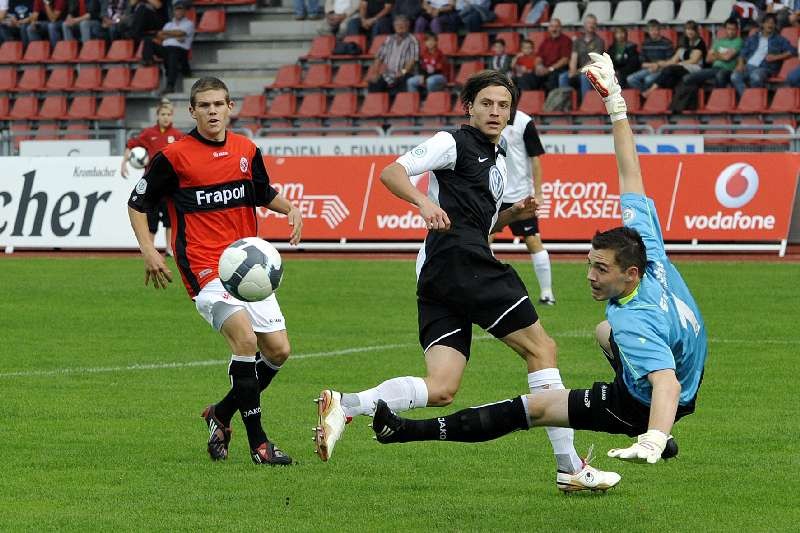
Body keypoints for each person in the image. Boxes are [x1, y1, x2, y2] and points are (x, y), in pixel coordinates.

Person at [369, 53, 708, 476]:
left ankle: (567, 466)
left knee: (531, 400)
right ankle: (379, 418)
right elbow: (631, 174)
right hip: (680, 372)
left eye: (601, 269)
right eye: (591, 263)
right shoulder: (651, 252)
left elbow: (666, 384)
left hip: (638, 406)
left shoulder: (636, 320)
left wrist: (655, 436)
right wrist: (616, 105)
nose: (590, 275)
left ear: (630, 273)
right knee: (597, 334)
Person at [314, 70, 620, 493]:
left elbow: (483, 223)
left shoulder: (497, 160)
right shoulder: (452, 141)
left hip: (442, 270)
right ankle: (569, 468)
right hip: (462, 261)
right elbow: (392, 172)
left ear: (511, 113)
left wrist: (511, 214)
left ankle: (344, 405)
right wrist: (422, 201)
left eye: (503, 105)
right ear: (469, 107)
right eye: (487, 103)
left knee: (441, 388)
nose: (495, 112)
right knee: (543, 349)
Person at [126, 77, 304, 465]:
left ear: (230, 107)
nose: (212, 111)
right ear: (192, 111)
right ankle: (260, 445)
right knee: (245, 341)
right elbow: (137, 203)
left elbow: (261, 191)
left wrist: (288, 208)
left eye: (218, 104)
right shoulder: (175, 157)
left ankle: (221, 413)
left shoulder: (246, 149)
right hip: (205, 267)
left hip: (248, 268)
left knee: (278, 351)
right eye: (204, 105)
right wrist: (148, 251)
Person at [493, 105, 554, 306]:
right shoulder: (487, 118)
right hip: (495, 195)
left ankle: (547, 293)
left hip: (521, 195)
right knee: (482, 242)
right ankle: (486, 291)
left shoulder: (524, 122)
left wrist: (538, 192)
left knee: (533, 241)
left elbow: (535, 158)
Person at [122, 99, 184, 255]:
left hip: (171, 184)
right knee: (151, 219)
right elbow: (131, 144)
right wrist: (124, 162)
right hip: (152, 184)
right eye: (163, 114)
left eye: (168, 114)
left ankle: (170, 249)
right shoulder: (149, 134)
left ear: (172, 116)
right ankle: (149, 249)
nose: (165, 117)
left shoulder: (177, 135)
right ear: (157, 115)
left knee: (171, 219)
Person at [731, 13, 796, 95]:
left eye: (773, 23)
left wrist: (776, 57)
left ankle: (752, 100)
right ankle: (748, 99)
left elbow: (793, 50)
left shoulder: (779, 39)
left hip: (765, 67)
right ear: (762, 24)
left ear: (775, 25)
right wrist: (740, 64)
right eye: (768, 22)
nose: (770, 25)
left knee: (755, 77)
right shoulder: (753, 38)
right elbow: (743, 52)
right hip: (749, 65)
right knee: (734, 76)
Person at [641, 20, 706, 98]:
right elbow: (673, 60)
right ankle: (662, 100)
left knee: (670, 69)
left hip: (695, 67)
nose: (690, 32)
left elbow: (694, 60)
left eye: (692, 30)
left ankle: (651, 91)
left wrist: (678, 64)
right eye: (688, 29)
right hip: (681, 67)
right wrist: (661, 64)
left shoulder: (699, 42)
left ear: (696, 31)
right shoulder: (683, 42)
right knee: (669, 79)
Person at [142, 0, 194, 94]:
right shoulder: (168, 24)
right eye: (176, 10)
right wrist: (175, 35)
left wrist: (169, 34)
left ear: (184, 12)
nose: (178, 12)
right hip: (166, 48)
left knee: (172, 53)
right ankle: (148, 61)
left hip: (181, 51)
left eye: (180, 10)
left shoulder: (189, 23)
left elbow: (181, 33)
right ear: (174, 12)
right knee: (148, 41)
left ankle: (170, 85)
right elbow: (160, 35)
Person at [680, 18, 742, 90]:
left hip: (728, 70)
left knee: (720, 75)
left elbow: (727, 57)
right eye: (728, 29)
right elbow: (708, 59)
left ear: (737, 30)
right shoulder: (718, 41)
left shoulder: (738, 41)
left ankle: (720, 98)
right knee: (687, 78)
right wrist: (723, 55)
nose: (731, 32)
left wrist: (715, 54)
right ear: (725, 29)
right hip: (714, 69)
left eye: (733, 29)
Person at [366, 14, 418, 95]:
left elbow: (411, 62)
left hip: (405, 73)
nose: (399, 27)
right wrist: (375, 73)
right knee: (374, 82)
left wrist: (402, 72)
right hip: (389, 73)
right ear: (394, 27)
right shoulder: (389, 39)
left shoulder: (412, 40)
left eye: (402, 24)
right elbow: (379, 57)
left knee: (401, 82)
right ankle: (377, 107)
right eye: (397, 25)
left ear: (407, 25)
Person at [559, 13, 605, 97]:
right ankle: (565, 102)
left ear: (596, 25)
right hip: (578, 71)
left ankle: (585, 105)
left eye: (593, 23)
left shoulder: (599, 41)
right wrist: (572, 71)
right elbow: (573, 58)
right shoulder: (577, 41)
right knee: (563, 77)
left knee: (584, 77)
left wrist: (577, 71)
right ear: (584, 25)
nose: (591, 25)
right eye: (589, 23)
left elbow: (592, 61)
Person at [522, 17, 571, 92]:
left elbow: (565, 60)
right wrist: (538, 66)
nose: (554, 29)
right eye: (552, 26)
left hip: (558, 70)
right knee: (527, 77)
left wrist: (550, 69)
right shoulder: (546, 41)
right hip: (544, 69)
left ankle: (550, 103)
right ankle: (530, 101)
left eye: (556, 26)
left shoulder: (566, 40)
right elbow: (539, 57)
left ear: (560, 28)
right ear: (548, 28)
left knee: (552, 79)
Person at [626, 19, 674, 92]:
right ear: (648, 31)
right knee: (630, 79)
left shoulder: (667, 43)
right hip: (649, 68)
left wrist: (658, 66)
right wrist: (652, 65)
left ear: (659, 30)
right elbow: (642, 63)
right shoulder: (645, 43)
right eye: (651, 30)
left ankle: (646, 95)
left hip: (662, 69)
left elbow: (670, 62)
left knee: (648, 80)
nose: (654, 32)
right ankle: (644, 93)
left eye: (656, 30)